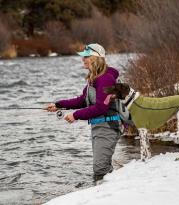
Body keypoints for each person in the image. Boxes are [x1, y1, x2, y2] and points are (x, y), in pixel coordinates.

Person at [45, 43, 122, 181]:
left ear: (95, 58)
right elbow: (82, 100)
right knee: (102, 167)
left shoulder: (105, 79)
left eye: (86, 56)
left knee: (100, 169)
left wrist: (75, 115)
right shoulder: (95, 78)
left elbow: (101, 108)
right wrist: (58, 105)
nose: (83, 59)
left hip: (109, 127)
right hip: (98, 127)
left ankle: (109, 194)